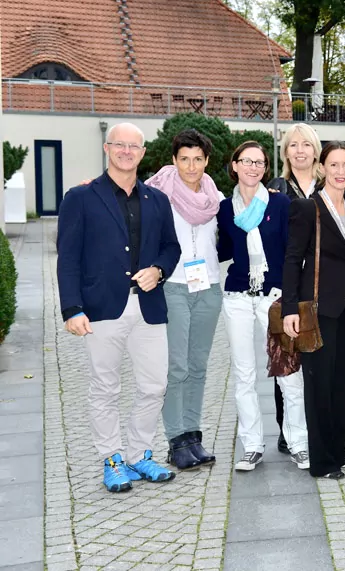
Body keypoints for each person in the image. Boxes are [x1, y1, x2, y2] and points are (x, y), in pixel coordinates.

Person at [57, 122, 181, 492]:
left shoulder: (157, 199)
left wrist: (158, 271)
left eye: (135, 146)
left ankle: (140, 454)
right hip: (100, 309)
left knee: (154, 385)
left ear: (143, 154)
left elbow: (171, 248)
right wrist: (71, 309)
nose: (127, 151)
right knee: (105, 387)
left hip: (148, 308)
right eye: (120, 145)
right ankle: (111, 458)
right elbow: (68, 258)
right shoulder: (79, 198)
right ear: (108, 149)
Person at [218, 142, 308, 472]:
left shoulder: (281, 203)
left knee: (289, 372)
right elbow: (224, 249)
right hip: (238, 298)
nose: (254, 167)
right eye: (248, 161)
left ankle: (298, 443)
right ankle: (252, 446)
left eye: (260, 162)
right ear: (235, 165)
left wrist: (290, 301)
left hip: (274, 299)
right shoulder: (225, 209)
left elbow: (291, 254)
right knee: (244, 375)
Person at [282, 142, 345, 479]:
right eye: (334, 165)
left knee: (344, 383)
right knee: (319, 385)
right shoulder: (307, 208)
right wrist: (290, 308)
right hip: (316, 309)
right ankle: (321, 460)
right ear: (322, 168)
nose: (341, 171)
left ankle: (338, 449)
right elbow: (292, 259)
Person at [146, 129, 224, 471]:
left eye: (197, 159)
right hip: (174, 286)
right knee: (176, 367)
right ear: (174, 160)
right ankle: (174, 439)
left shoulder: (214, 197)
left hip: (208, 287)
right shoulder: (158, 193)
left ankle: (193, 435)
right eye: (184, 159)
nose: (191, 166)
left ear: (207, 160)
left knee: (199, 367)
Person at [267, 122, 324, 454]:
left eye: (306, 144)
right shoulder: (275, 189)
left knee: (317, 359)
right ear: (285, 152)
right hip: (286, 285)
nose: (300, 150)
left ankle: (314, 426)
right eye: (293, 145)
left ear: (315, 149)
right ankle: (286, 430)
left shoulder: (331, 182)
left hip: (322, 285)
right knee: (286, 361)